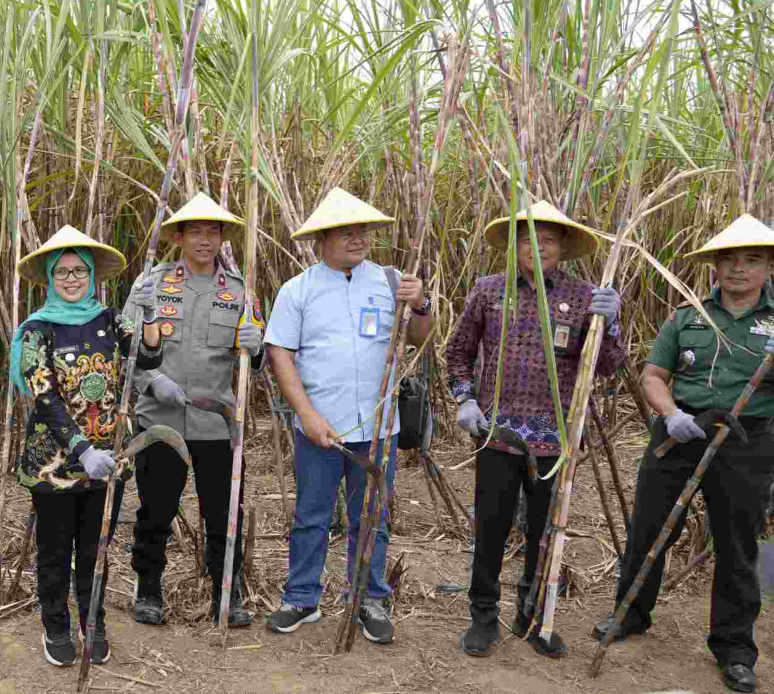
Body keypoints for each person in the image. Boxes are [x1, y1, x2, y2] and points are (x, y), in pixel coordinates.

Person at [592, 214, 774, 693]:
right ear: (714, 267)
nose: (739, 270)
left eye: (752, 260)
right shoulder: (686, 313)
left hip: (747, 440)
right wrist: (671, 414)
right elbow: (654, 375)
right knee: (650, 528)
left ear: (768, 266)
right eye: (729, 262)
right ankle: (630, 616)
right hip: (680, 433)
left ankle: (734, 648)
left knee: (737, 543)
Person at [445, 201, 625, 659]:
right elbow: (457, 352)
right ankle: (483, 616)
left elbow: (606, 367)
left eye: (548, 239)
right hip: (497, 435)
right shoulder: (488, 291)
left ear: (562, 247)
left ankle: (534, 615)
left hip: (556, 439)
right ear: (514, 246)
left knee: (545, 532)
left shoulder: (585, 297)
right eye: (528, 238)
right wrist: (465, 398)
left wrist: (612, 323)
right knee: (491, 526)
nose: (538, 246)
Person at [264, 188, 434, 643]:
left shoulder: (390, 281)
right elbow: (280, 353)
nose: (357, 239)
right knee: (311, 515)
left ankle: (368, 598)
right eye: (346, 232)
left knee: (371, 517)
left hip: (379, 426)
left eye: (362, 231)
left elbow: (418, 337)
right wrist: (308, 416)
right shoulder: (298, 289)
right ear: (323, 238)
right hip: (320, 426)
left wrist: (420, 305)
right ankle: (301, 598)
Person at [9, 225, 163, 667]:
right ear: (51, 279)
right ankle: (56, 625)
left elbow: (149, 358)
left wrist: (150, 315)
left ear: (93, 276)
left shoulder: (113, 319)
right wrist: (82, 451)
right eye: (63, 273)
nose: (73, 279)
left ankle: (93, 622)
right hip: (55, 462)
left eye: (80, 271)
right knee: (55, 550)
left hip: (109, 458)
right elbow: (44, 396)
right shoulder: (39, 329)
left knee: (95, 548)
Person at [123, 193, 264, 629]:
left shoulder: (242, 291)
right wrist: (150, 381)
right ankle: (148, 588)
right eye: (196, 232)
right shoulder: (152, 283)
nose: (205, 240)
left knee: (224, 512)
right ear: (180, 237)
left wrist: (254, 349)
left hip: (215, 423)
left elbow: (254, 363)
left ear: (223, 238)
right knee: (155, 510)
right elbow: (126, 342)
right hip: (158, 420)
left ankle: (228, 589)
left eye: (213, 231)